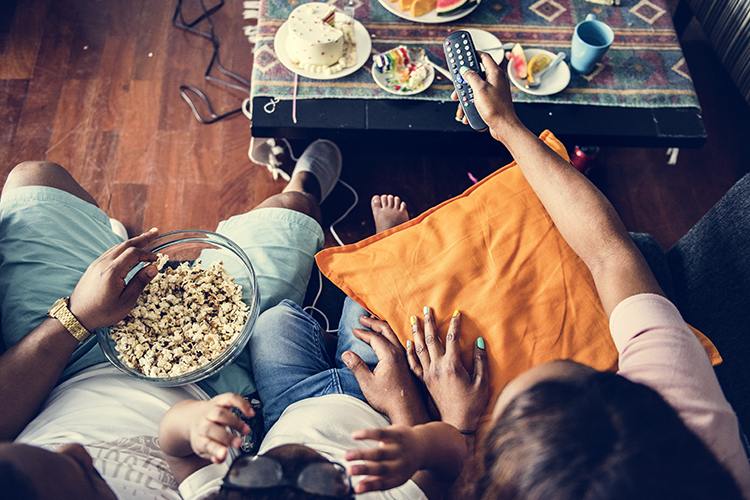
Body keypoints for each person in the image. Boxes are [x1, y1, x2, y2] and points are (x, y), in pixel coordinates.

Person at [449, 53, 750, 498]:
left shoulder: (681, 432)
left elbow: (610, 254)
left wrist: (454, 427)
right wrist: (507, 125)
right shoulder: (680, 404)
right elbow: (609, 251)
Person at [0, 139, 344, 499]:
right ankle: (303, 186)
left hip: (62, 370)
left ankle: (104, 238)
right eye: (86, 476)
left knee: (36, 176)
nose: (75, 449)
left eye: (47, 449)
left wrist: (77, 316)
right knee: (292, 207)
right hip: (214, 384)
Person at [157, 194, 490, 500]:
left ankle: (332, 339)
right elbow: (450, 461)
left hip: (288, 403)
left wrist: (193, 422)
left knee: (272, 322)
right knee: (371, 308)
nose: (292, 462)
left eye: (255, 473)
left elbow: (174, 447)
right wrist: (412, 440)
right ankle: (386, 240)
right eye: (323, 478)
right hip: (376, 403)